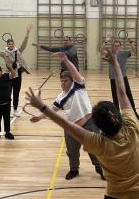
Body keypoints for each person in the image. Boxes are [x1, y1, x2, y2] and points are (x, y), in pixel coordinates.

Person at [26, 44, 139, 199]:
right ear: (117, 116)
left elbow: (65, 124)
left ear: (97, 125)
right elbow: (122, 92)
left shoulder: (98, 143)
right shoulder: (132, 129)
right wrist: (115, 61)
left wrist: (40, 107)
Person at [30, 53, 105, 181]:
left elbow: (75, 73)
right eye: (61, 81)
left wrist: (66, 60)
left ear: (72, 81)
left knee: (94, 148)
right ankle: (74, 169)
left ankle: (100, 168)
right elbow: (51, 109)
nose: (63, 83)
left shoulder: (79, 86)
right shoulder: (60, 97)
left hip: (89, 123)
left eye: (66, 81)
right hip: (71, 127)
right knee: (72, 152)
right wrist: (39, 116)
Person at [0, 26, 31, 117]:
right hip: (8, 75)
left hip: (17, 74)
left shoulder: (18, 51)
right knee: (8, 93)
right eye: (9, 44)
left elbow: (24, 44)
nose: (10, 45)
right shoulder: (4, 53)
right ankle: (8, 110)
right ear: (7, 45)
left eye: (12, 44)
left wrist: (27, 35)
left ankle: (15, 110)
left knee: (16, 93)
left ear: (13, 44)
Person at [106, 37, 139, 120]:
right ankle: (117, 114)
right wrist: (106, 41)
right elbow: (101, 50)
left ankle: (134, 112)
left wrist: (131, 43)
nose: (116, 47)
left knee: (128, 95)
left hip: (123, 77)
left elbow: (134, 52)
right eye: (115, 46)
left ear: (120, 47)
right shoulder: (110, 54)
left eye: (118, 46)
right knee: (115, 97)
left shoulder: (124, 53)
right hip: (113, 78)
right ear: (112, 47)